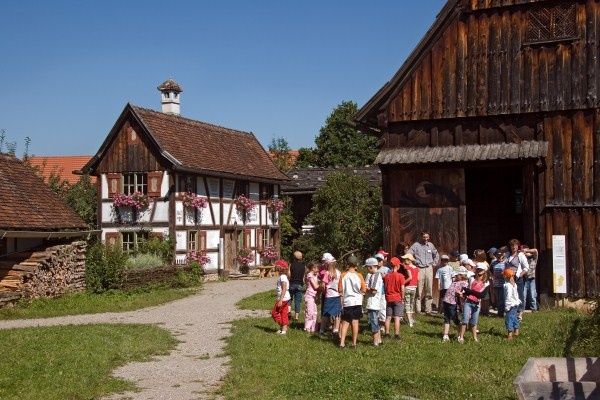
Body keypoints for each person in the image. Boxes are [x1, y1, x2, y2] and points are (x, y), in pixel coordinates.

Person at [338, 255, 366, 348]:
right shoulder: (359, 276)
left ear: (347, 264)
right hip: (357, 301)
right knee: (355, 322)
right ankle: (354, 343)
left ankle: (342, 343)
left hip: (347, 301)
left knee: (345, 322)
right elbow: (363, 289)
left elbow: (340, 290)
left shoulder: (343, 275)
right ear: (356, 264)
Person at [409, 231, 439, 314]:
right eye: (424, 237)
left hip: (429, 268)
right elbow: (409, 254)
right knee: (419, 289)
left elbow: (436, 254)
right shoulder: (416, 245)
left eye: (427, 237)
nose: (425, 239)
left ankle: (428, 310)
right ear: (421, 237)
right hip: (420, 269)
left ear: (429, 237)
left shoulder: (431, 245)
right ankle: (418, 310)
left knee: (429, 289)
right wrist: (415, 261)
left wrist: (434, 263)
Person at [457, 264, 488, 343]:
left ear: (484, 271)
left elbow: (482, 295)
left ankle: (475, 338)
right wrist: (468, 292)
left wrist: (470, 291)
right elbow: (467, 291)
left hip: (477, 304)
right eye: (478, 269)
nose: (479, 271)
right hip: (468, 302)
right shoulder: (471, 278)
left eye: (481, 269)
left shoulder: (486, 282)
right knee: (465, 320)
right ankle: (461, 337)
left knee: (474, 322)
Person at [441, 267, 469, 342]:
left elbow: (464, 294)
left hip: (453, 302)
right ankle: (445, 335)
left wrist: (460, 293)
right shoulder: (455, 281)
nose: (455, 276)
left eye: (457, 275)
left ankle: (460, 334)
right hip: (446, 301)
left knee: (455, 319)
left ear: (462, 275)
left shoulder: (464, 283)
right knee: (446, 318)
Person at [383, 257, 406, 339]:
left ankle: (387, 333)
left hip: (388, 298)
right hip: (397, 298)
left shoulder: (387, 276)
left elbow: (385, 287)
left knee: (388, 317)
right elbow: (402, 288)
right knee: (397, 317)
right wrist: (403, 298)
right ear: (397, 265)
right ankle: (396, 334)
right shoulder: (401, 276)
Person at [507, 239, 529, 320]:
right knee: (511, 294)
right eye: (512, 245)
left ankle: (520, 313)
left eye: (515, 245)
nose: (514, 247)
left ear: (517, 246)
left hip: (517, 278)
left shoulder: (520, 255)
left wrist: (519, 275)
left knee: (520, 295)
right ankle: (513, 311)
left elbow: (526, 267)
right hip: (509, 278)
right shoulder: (508, 255)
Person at [365, 257, 384, 347]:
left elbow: (374, 290)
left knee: (374, 322)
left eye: (367, 267)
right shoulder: (372, 275)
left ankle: (375, 341)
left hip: (374, 303)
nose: (367, 269)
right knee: (376, 321)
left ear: (372, 267)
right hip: (372, 302)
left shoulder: (376, 275)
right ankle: (379, 339)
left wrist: (364, 288)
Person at [320, 254, 341, 337]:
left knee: (326, 313)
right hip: (337, 295)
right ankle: (336, 329)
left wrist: (320, 287)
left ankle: (321, 329)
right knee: (337, 314)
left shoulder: (327, 273)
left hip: (329, 295)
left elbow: (323, 285)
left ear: (327, 264)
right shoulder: (339, 273)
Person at [271, 259, 291, 335]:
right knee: (283, 313)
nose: (275, 267)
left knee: (274, 313)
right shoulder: (283, 276)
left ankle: (283, 326)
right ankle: (283, 329)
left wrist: (280, 300)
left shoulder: (282, 277)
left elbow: (284, 288)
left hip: (283, 299)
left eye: (276, 266)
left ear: (280, 268)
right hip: (286, 298)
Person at [503, 268, 522, 340]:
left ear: (505, 276)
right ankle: (516, 331)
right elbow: (516, 295)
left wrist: (507, 306)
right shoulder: (514, 284)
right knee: (514, 317)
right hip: (515, 304)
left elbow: (508, 296)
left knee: (508, 319)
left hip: (510, 305)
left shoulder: (507, 285)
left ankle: (510, 335)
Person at [288, 251, 306, 323]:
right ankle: (296, 316)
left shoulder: (291, 265)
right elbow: (304, 277)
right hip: (299, 285)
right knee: (297, 301)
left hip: (292, 284)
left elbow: (289, 275)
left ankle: (288, 313)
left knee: (289, 299)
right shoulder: (304, 266)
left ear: (294, 257)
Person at [402, 253, 419, 327]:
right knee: (412, 304)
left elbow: (410, 277)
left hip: (408, 287)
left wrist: (402, 283)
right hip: (414, 287)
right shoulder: (416, 268)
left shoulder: (408, 267)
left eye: (405, 259)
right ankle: (411, 319)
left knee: (407, 304)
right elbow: (417, 279)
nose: (404, 261)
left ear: (409, 260)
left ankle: (410, 322)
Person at [303, 261, 319, 333]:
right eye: (315, 268)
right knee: (310, 312)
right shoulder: (310, 275)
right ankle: (307, 327)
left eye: (317, 268)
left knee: (315, 312)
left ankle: (314, 328)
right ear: (311, 269)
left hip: (314, 296)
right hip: (309, 296)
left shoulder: (315, 275)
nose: (317, 269)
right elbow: (315, 286)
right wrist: (322, 285)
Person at [522, 245, 539, 311]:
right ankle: (522, 309)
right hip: (524, 279)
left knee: (532, 295)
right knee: (523, 295)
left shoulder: (534, 258)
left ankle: (534, 309)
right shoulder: (522, 259)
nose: (525, 253)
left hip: (532, 279)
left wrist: (526, 251)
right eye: (524, 251)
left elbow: (535, 250)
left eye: (527, 251)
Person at [491, 249, 507, 317]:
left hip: (503, 283)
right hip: (496, 283)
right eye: (497, 255)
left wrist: (503, 274)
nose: (499, 256)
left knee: (502, 299)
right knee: (498, 299)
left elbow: (508, 271)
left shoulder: (506, 262)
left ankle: (501, 314)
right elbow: (490, 271)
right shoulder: (493, 262)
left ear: (503, 255)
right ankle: (500, 312)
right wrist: (492, 277)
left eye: (500, 255)